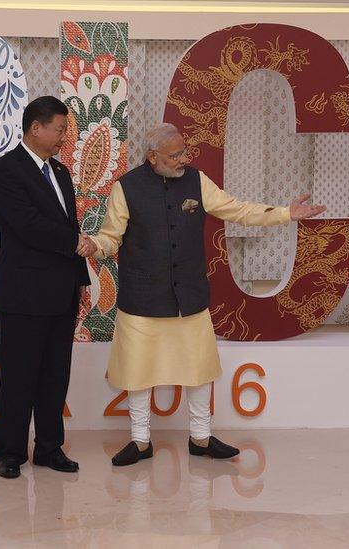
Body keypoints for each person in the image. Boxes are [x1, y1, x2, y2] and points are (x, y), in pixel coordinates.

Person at [86, 123, 326, 466]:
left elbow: (237, 209)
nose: (184, 159)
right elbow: (111, 237)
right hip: (142, 300)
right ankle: (140, 441)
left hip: (189, 296)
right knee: (138, 373)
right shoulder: (126, 188)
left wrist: (287, 213)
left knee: (198, 369)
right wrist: (93, 245)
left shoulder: (196, 181)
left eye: (184, 151)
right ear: (152, 157)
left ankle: (200, 438)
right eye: (175, 155)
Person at [0, 96, 96, 479]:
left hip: (61, 292)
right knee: (18, 376)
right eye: (59, 129)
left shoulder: (61, 173)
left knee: (55, 376)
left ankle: (50, 448)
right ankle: (10, 453)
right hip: (24, 293)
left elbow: (66, 225)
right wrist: (74, 242)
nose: (63, 137)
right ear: (36, 127)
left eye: (65, 130)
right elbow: (26, 224)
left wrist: (79, 278)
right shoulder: (7, 170)